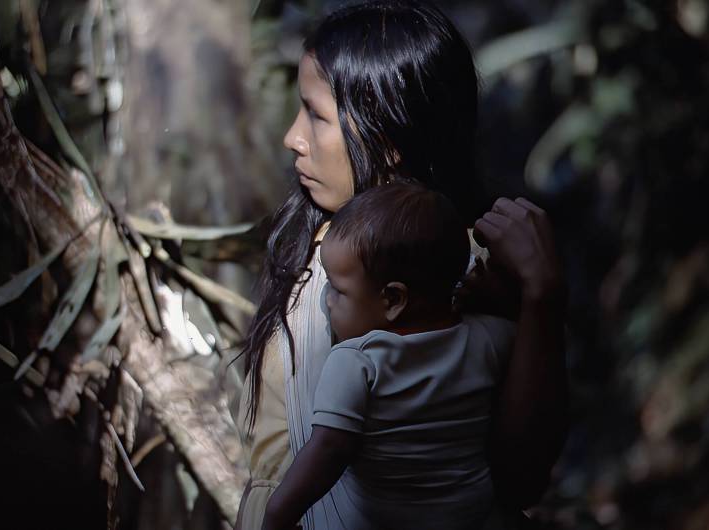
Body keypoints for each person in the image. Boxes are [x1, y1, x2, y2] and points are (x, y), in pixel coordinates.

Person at [235, 1, 568, 529]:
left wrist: (539, 301)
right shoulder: (325, 240)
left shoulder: (450, 277)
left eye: (316, 115)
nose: (292, 138)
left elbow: (518, 475)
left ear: (386, 141)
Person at [260, 183, 518, 530]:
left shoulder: (356, 362)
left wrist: (277, 515)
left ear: (394, 300)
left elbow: (329, 450)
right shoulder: (489, 337)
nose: (326, 300)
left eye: (338, 289)